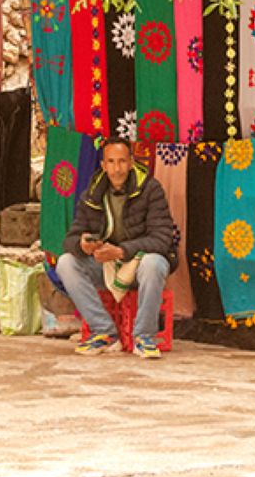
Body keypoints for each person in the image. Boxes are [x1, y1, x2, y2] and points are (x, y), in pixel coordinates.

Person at [55, 137, 176, 358]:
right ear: (103, 165)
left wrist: (121, 251)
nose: (117, 169)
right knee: (66, 263)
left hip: (137, 267)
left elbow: (162, 238)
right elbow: (70, 239)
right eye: (111, 162)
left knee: (155, 263)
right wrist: (83, 244)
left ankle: (144, 337)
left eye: (122, 161)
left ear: (131, 163)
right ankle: (104, 332)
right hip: (106, 267)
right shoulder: (92, 193)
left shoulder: (150, 189)